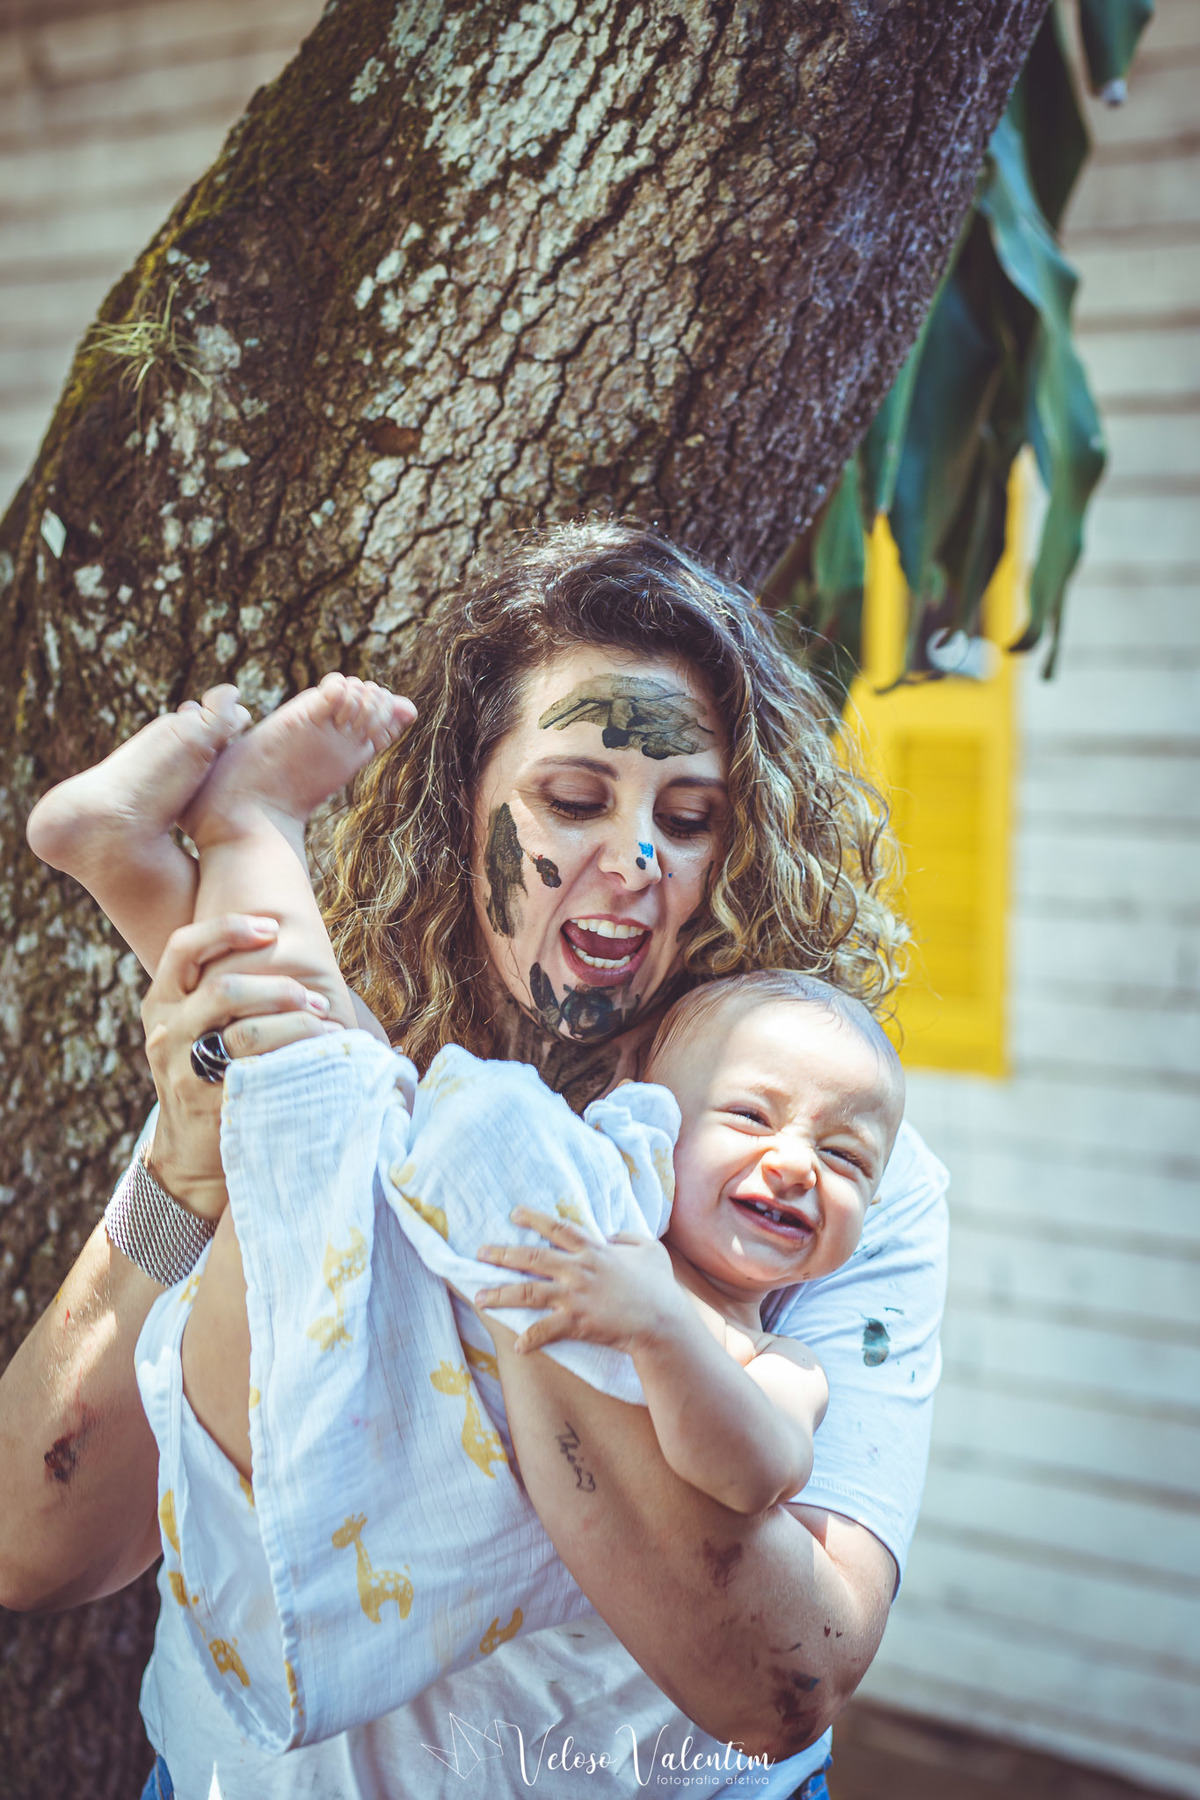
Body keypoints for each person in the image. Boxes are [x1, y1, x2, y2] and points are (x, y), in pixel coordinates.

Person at [0, 522, 948, 1800]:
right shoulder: (262, 1076)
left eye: (691, 816)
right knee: (315, 1078)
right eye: (571, 801)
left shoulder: (813, 1178)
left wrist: (512, 1206)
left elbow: (783, 1684)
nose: (637, 862)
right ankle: (156, 858)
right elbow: (32, 1549)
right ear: (461, 810)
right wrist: (181, 1174)